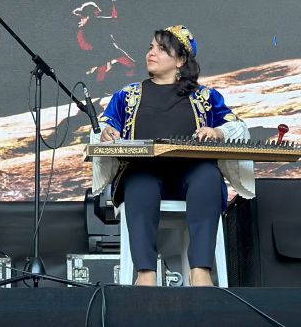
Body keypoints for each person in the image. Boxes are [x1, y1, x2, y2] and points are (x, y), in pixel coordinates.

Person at [94, 25, 250, 287]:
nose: (151, 53)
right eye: (151, 47)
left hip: (191, 176)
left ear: (180, 61)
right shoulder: (127, 95)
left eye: (161, 49)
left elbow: (239, 128)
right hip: (145, 173)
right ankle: (145, 273)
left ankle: (200, 270)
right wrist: (106, 133)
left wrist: (217, 132)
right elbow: (102, 128)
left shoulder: (204, 97)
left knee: (208, 176)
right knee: (139, 180)